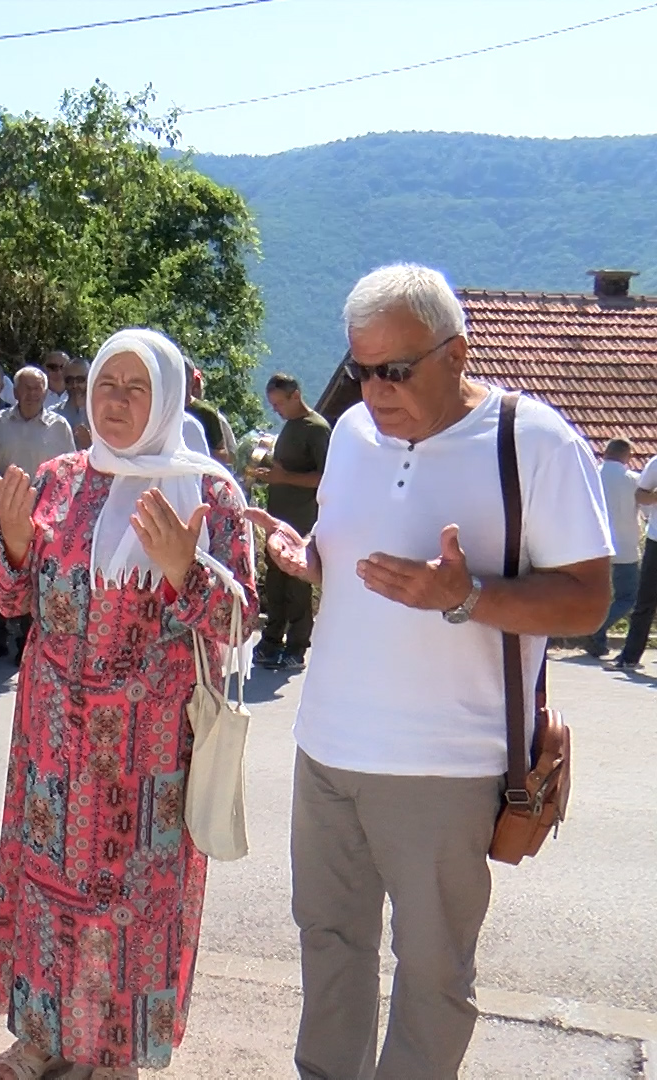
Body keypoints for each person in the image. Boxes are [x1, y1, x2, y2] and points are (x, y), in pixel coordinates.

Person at [253, 264, 611, 1079]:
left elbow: (589, 601)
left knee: (434, 975)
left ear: (456, 353)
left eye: (395, 370)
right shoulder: (348, 435)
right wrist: (307, 560)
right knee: (329, 946)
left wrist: (469, 595)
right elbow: (348, 555)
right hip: (327, 748)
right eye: (360, 369)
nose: (373, 391)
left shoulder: (535, 442)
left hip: (446, 765)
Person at [0, 328, 257, 1080]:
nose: (116, 401)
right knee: (46, 894)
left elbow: (236, 627)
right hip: (52, 743)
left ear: (169, 397)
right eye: (107, 384)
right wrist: (11, 546)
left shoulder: (210, 494)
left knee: (132, 910)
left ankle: (117, 1052)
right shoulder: (62, 480)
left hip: (150, 758)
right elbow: (15, 602)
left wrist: (185, 570)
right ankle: (42, 1036)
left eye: (137, 388)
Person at [0, 367, 75, 663]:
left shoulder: (59, 426)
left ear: (45, 392)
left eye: (37, 388)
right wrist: (0, 484)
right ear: (14, 392)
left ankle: (27, 644)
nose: (31, 394)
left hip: (43, 515)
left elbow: (70, 469)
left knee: (38, 576)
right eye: (25, 388)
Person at [248, 372, 330, 671]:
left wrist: (285, 478)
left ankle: (297, 646)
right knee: (276, 582)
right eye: (273, 405)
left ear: (296, 395)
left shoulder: (317, 429)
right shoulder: (290, 427)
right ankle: (271, 641)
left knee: (296, 583)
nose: (277, 410)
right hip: (278, 518)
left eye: (280, 403)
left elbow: (325, 478)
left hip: (301, 520)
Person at [602, 439, 657, 666]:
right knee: (644, 601)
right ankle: (630, 656)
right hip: (656, 540)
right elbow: (641, 495)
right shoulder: (655, 464)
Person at [184, 359, 235, 466]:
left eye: (186, 380)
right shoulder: (158, 407)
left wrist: (197, 452)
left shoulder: (206, 413)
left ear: (192, 382)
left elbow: (223, 454)